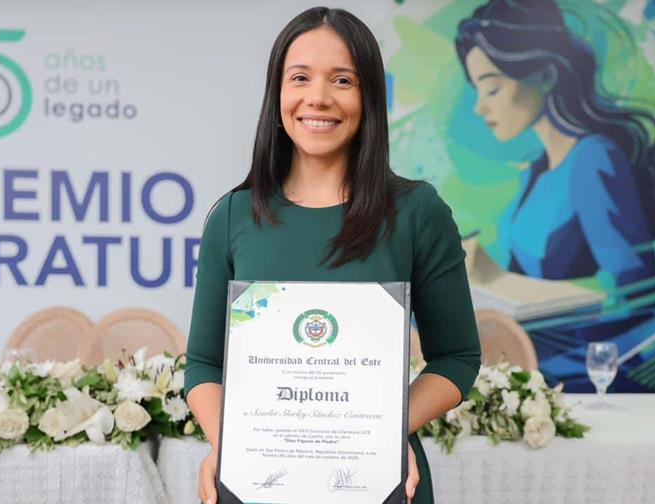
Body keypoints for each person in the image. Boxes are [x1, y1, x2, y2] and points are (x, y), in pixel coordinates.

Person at [184, 7, 481, 504]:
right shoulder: (233, 216)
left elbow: (457, 358)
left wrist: (376, 433)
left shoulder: (415, 212)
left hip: (380, 483)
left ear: (369, 96)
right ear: (277, 93)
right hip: (258, 484)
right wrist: (231, 444)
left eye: (342, 80)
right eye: (299, 77)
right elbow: (203, 365)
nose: (317, 98)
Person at [455, 0, 655, 389]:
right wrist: (489, 276)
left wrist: (531, 299)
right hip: (527, 362)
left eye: (492, 87)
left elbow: (638, 293)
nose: (480, 107)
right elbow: (526, 284)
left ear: (544, 74)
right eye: (477, 90)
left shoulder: (593, 158)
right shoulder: (536, 172)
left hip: (583, 370)